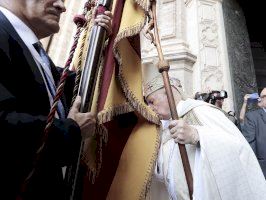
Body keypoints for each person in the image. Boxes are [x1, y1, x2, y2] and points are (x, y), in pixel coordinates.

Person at [0, 0, 112, 199]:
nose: (62, 6)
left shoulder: (32, 50)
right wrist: (70, 131)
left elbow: (68, 85)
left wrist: (96, 41)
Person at [143, 74, 266, 200]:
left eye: (152, 101)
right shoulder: (165, 126)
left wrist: (196, 135)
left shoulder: (201, 111)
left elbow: (238, 148)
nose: (149, 108)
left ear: (170, 92)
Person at [242, 88, 266, 178]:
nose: (259, 99)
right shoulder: (252, 117)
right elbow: (250, 146)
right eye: (260, 96)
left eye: (262, 96)